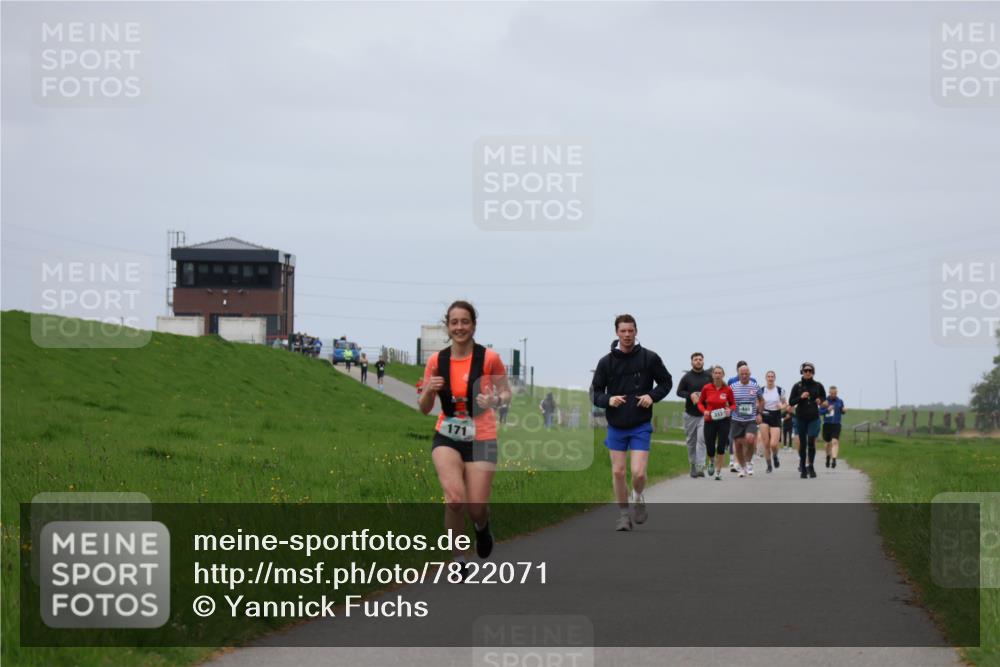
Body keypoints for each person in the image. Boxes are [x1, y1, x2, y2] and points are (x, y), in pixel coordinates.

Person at [419, 300, 510, 576]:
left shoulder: (489, 358)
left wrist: (494, 399)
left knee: (476, 507)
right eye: (454, 322)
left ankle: (482, 527)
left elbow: (506, 394)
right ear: (447, 326)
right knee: (455, 499)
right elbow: (423, 408)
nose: (459, 327)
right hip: (446, 434)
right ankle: (458, 560)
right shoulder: (437, 361)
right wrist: (429, 391)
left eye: (465, 322)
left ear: (474, 325)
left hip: (482, 435)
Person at [590, 314, 673, 531]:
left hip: (640, 424)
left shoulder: (649, 358)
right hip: (616, 425)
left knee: (638, 473)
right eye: (623, 331)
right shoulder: (606, 362)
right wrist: (608, 399)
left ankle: (637, 496)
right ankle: (624, 515)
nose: (627, 335)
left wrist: (651, 396)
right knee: (618, 472)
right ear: (616, 333)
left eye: (630, 331)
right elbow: (595, 392)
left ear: (636, 332)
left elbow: (666, 381)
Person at [789, 362, 827, 479]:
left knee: (811, 442)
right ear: (802, 372)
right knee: (802, 444)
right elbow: (791, 402)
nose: (808, 372)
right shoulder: (797, 386)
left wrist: (820, 400)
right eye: (805, 370)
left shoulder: (818, 385)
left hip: (813, 418)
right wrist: (801, 397)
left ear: (813, 372)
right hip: (801, 418)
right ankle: (803, 467)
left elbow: (823, 397)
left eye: (810, 371)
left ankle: (811, 465)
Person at [697, 365, 735, 481]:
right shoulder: (706, 388)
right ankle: (711, 462)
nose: (717, 375)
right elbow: (700, 403)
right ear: (712, 375)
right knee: (710, 447)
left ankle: (718, 472)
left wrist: (730, 410)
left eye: (720, 373)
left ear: (723, 375)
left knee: (721, 447)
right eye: (715, 373)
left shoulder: (727, 389)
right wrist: (704, 411)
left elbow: (733, 404)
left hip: (724, 421)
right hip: (710, 420)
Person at [676, 352, 711, 478]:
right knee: (691, 441)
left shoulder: (709, 377)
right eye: (695, 359)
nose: (698, 361)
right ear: (691, 362)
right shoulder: (687, 377)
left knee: (702, 440)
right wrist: (690, 395)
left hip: (704, 414)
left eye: (700, 359)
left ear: (703, 361)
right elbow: (679, 392)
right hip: (690, 414)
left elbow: (715, 391)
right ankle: (692, 466)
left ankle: (700, 467)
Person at [729, 364, 762, 477]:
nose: (744, 376)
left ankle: (749, 463)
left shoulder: (755, 386)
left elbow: (762, 401)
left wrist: (759, 413)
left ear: (749, 374)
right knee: (737, 444)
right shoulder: (733, 387)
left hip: (751, 419)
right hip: (736, 419)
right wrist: (728, 409)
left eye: (746, 374)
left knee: (750, 439)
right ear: (738, 375)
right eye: (741, 374)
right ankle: (743, 468)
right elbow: (728, 401)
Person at [758, 371, 786, 473]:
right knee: (766, 444)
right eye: (768, 376)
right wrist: (759, 409)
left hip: (776, 416)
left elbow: (785, 403)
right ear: (766, 378)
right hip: (764, 416)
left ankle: (775, 456)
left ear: (774, 378)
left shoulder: (779, 390)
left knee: (773, 444)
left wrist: (781, 406)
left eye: (772, 377)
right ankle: (769, 465)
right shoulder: (761, 390)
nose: (770, 378)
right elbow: (757, 403)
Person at [821, 386, 847, 468]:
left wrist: (844, 410)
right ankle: (828, 457)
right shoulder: (825, 401)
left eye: (835, 393)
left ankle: (834, 459)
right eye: (832, 393)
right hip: (827, 424)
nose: (833, 395)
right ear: (829, 393)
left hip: (836, 424)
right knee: (827, 444)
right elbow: (820, 412)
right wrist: (827, 410)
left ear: (837, 393)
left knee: (835, 442)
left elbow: (842, 411)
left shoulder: (840, 401)